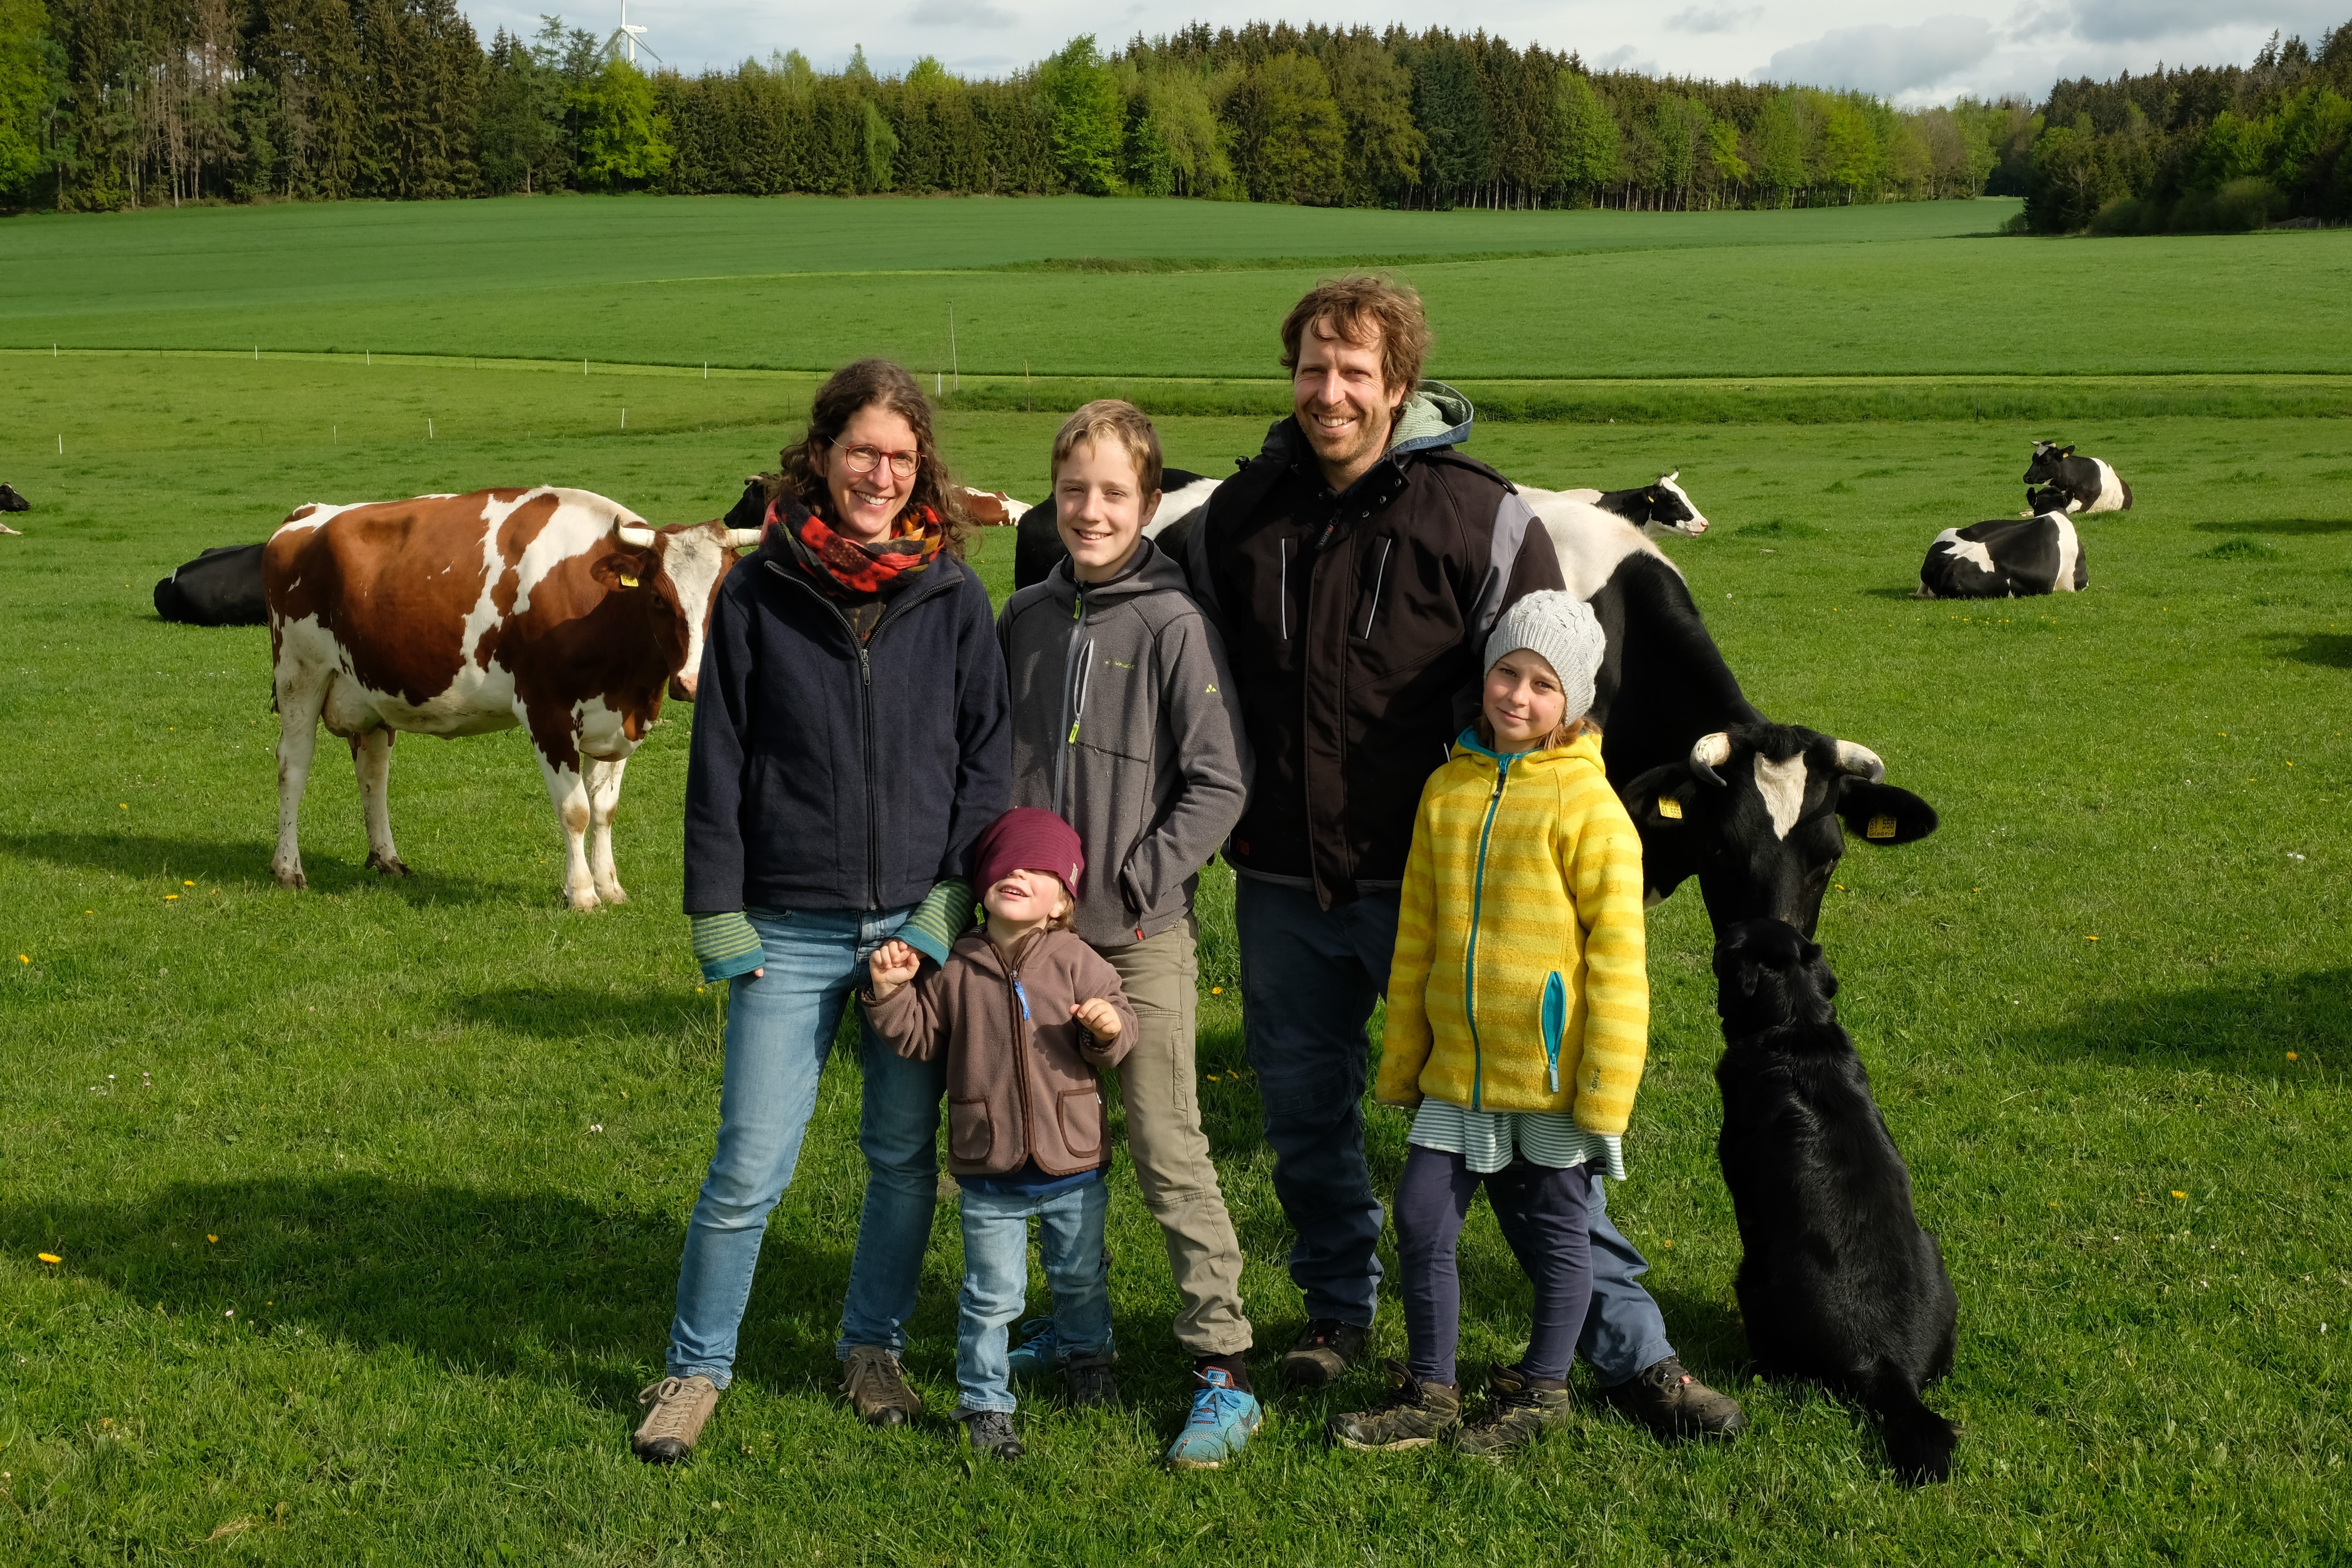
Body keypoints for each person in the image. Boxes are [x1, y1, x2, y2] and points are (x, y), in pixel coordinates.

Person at [1187, 277, 1744, 1440]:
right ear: (1290, 377)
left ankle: (1636, 1352)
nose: (1330, 393)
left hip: (1449, 894)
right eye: (1312, 370)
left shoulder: (1480, 519)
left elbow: (1556, 702)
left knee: (1529, 1136)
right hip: (1285, 879)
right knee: (1302, 1117)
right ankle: (1338, 1318)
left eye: (1356, 374)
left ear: (1399, 387)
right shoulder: (1240, 518)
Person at [631, 359, 1011, 1464]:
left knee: (900, 1154)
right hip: (785, 929)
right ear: (824, 454)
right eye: (862, 453)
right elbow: (720, 765)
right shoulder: (758, 592)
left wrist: (945, 910)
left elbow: (987, 765)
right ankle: (697, 1369)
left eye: (900, 457)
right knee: (750, 1163)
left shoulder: (952, 597)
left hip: (912, 930)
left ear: (920, 467)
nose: (880, 475)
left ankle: (872, 1348)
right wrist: (719, 915)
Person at [996, 401, 1261, 1469]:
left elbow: (1219, 783)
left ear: (1150, 504)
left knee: (1162, 1137)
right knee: (1050, 1146)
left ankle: (1222, 1363)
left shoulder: (1173, 625)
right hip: (1033, 947)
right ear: (1051, 499)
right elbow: (996, 765)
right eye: (1073, 491)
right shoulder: (1022, 617)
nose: (1090, 510)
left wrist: (1138, 878)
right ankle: (1077, 1324)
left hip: (1140, 937)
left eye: (1113, 493)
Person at [1331, 592, 1646, 1457]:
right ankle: (1432, 1389)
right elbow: (1418, 938)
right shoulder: (1447, 790)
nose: (1517, 695)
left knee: (1559, 1228)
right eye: (1507, 672)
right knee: (1423, 1218)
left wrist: (1604, 1092)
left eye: (1543, 684)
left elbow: (1621, 964)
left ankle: (1544, 1390)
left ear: (1574, 702)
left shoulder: (1593, 809)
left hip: (1547, 1077)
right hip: (1456, 1073)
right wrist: (1403, 1060)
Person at [862, 807, 1139, 1461]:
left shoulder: (1080, 962)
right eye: (1004, 864)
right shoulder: (955, 966)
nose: (1017, 872)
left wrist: (1106, 1028)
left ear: (1062, 904)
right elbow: (920, 1037)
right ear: (981, 885)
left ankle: (1088, 1360)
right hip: (989, 1169)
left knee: (1079, 1277)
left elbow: (1120, 1032)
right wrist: (888, 994)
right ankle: (985, 1402)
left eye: (1038, 869)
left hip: (1073, 1163)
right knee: (992, 1295)